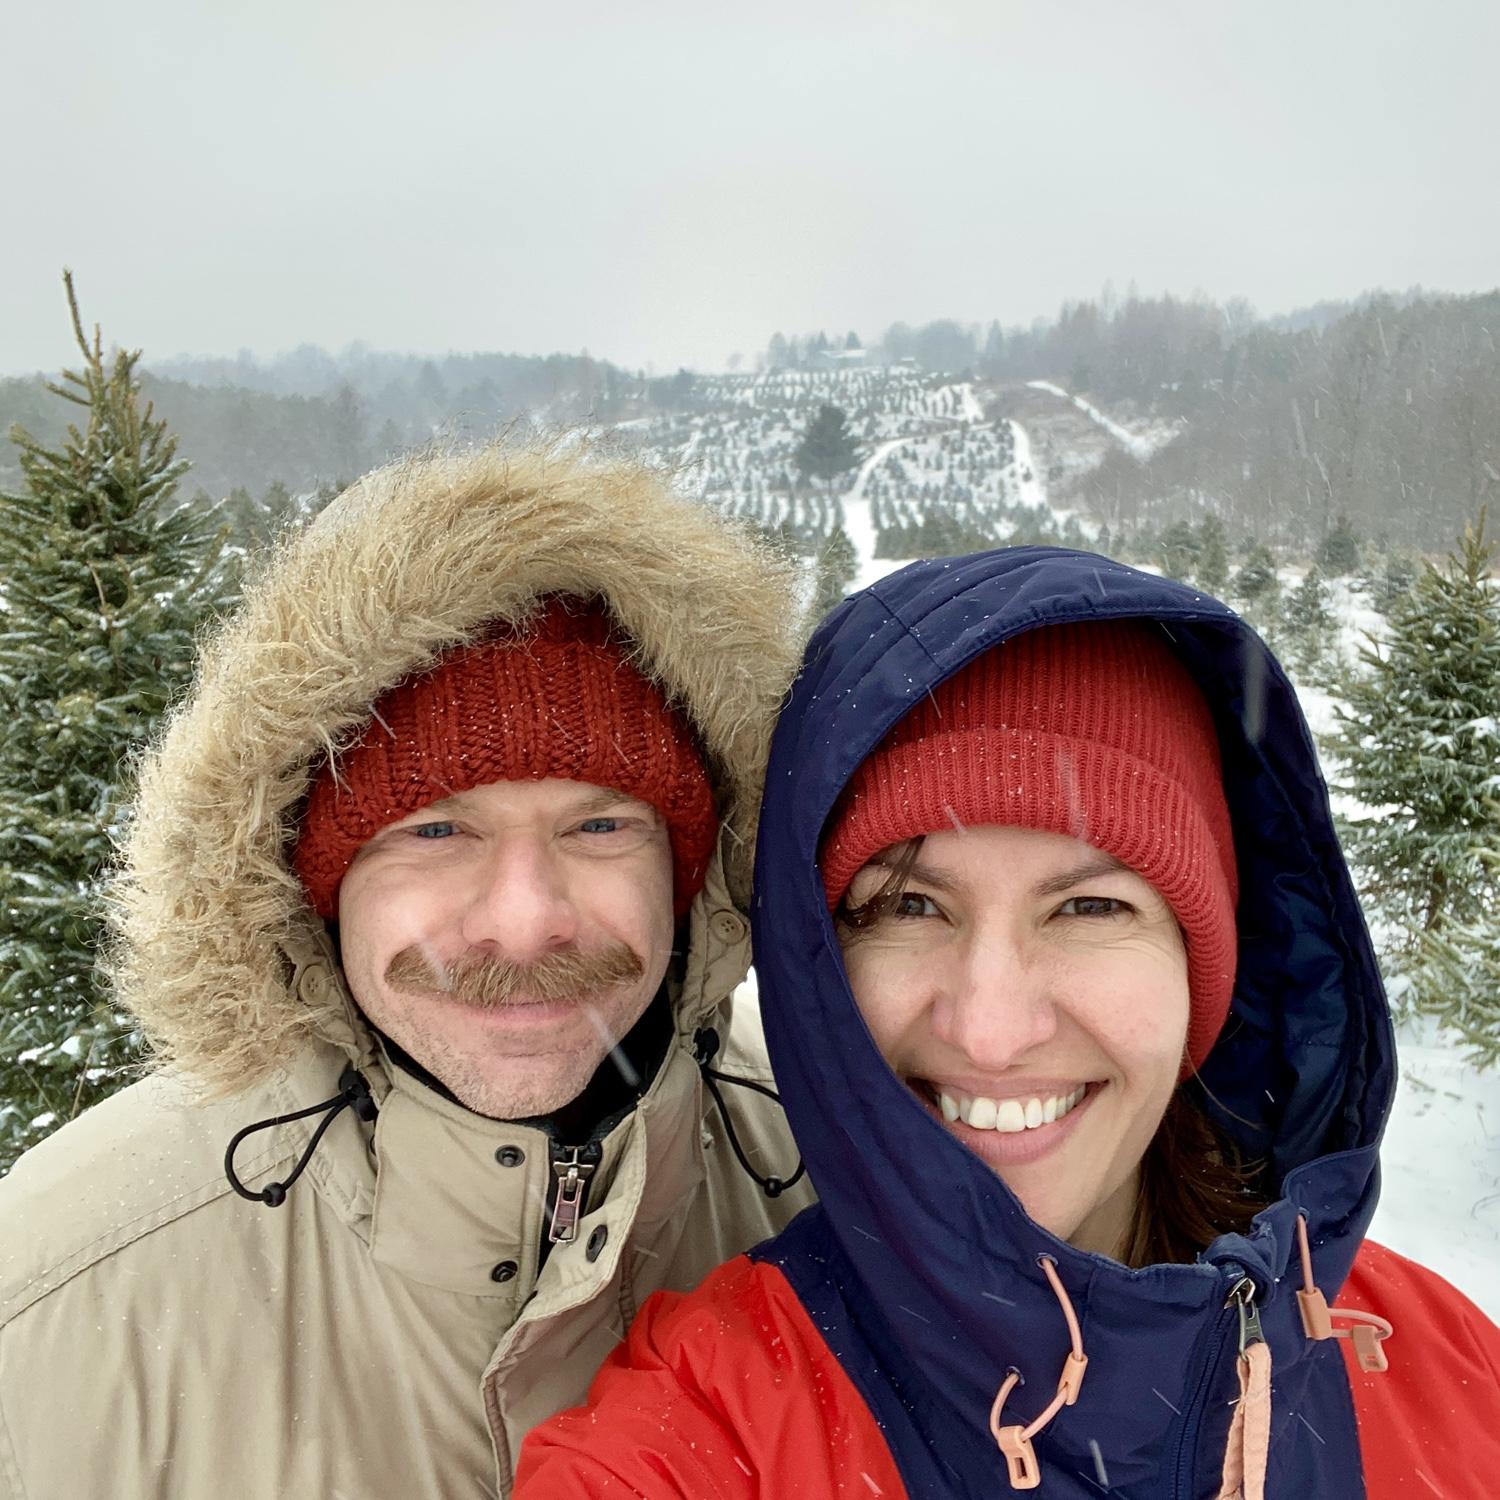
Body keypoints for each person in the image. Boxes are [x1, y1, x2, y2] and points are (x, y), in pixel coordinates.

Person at [516, 546, 1500, 1498]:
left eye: (1090, 908)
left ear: (1203, 969)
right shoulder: (701, 1433)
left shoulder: (1452, 1374)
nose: (991, 1031)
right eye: (909, 906)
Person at [0, 440, 814, 1500]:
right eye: (435, 832)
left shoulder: (832, 1175)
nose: (525, 924)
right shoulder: (59, 1300)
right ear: (312, 884)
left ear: (693, 868)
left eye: (601, 824)